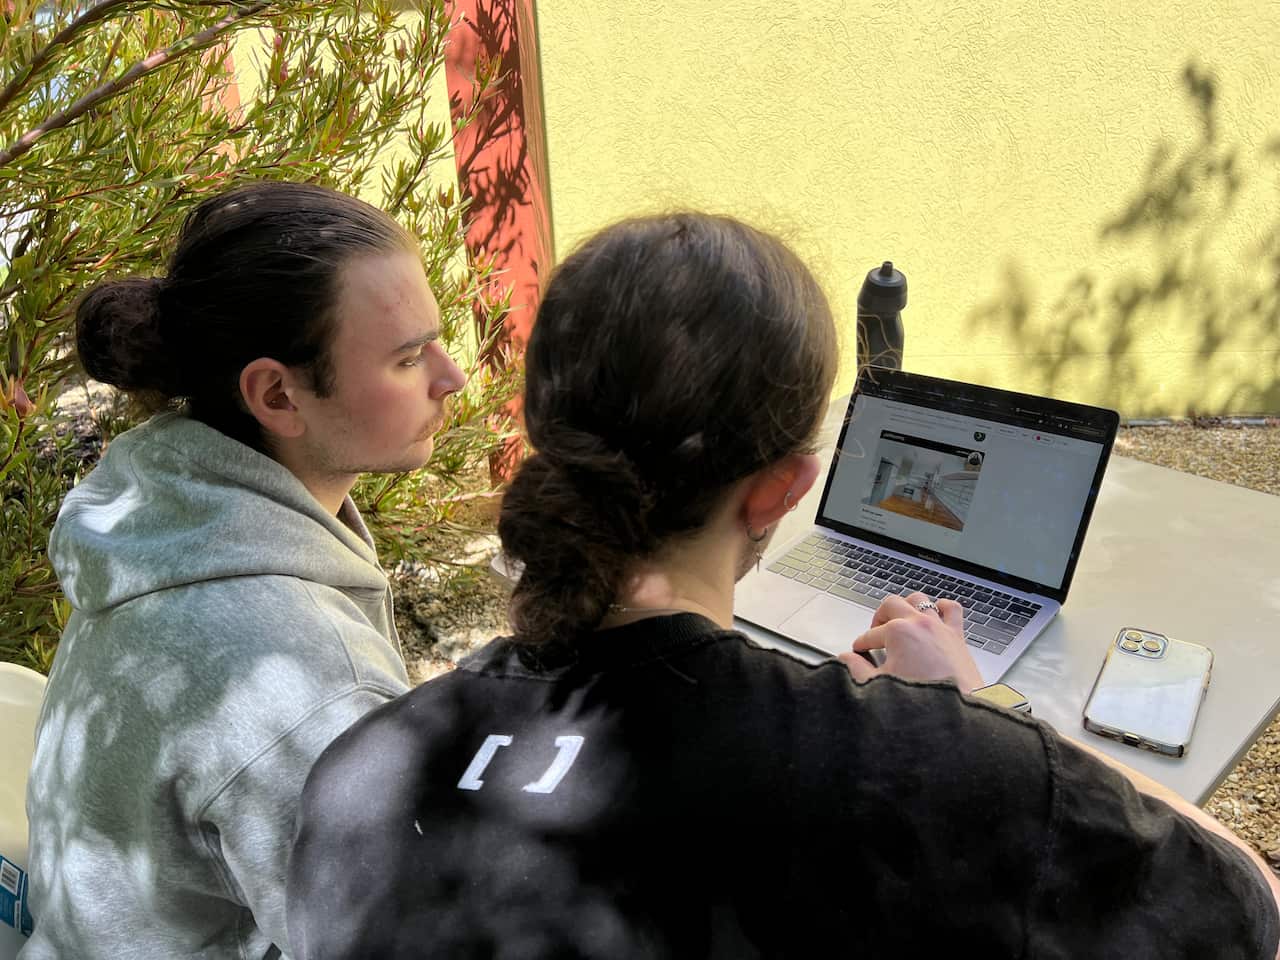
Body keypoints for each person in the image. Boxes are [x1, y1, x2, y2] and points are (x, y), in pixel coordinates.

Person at [286, 212, 1280, 959]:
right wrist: (983, 708)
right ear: (783, 491)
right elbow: (1247, 907)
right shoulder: (944, 773)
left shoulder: (354, 778)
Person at [22, 182, 466, 960]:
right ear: (276, 394)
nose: (450, 375)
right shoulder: (300, 681)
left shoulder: (159, 528)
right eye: (407, 358)